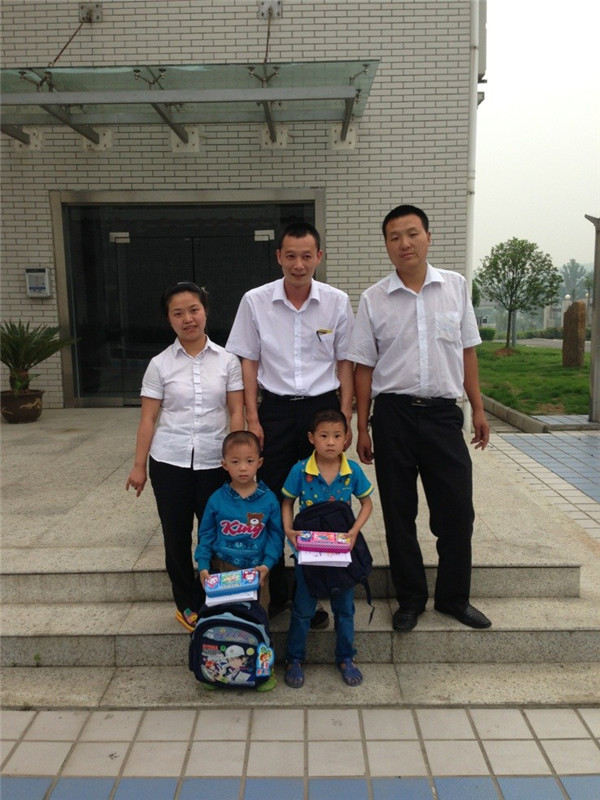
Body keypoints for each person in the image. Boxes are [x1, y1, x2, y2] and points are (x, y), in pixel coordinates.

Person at [348, 204, 492, 633]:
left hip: (444, 415)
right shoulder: (374, 298)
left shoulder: (455, 287)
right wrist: (362, 425)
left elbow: (467, 351)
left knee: (456, 511)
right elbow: (363, 367)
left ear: (429, 237)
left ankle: (453, 598)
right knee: (399, 512)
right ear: (386, 245)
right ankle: (410, 599)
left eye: (412, 234)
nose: (404, 243)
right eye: (394, 237)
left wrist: (478, 408)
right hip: (393, 416)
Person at [226, 221, 355, 625]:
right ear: (279, 256)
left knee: (325, 505)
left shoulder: (336, 302)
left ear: (319, 257)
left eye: (307, 256)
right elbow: (248, 361)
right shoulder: (255, 301)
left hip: (322, 410)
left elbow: (345, 362)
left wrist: (345, 418)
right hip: (276, 411)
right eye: (291, 256)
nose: (299, 265)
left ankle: (317, 593)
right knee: (272, 500)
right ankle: (278, 594)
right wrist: (252, 417)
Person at [126, 282, 244, 632]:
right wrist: (139, 466)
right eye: (178, 313)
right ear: (169, 319)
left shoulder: (227, 361)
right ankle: (187, 602)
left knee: (217, 534)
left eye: (194, 310)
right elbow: (148, 418)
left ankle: (216, 597)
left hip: (214, 462)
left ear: (205, 311)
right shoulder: (159, 364)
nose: (187, 318)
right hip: (169, 462)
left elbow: (236, 412)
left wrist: (238, 460)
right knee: (176, 536)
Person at [281, 408, 374, 688]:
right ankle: (294, 658)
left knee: (344, 609)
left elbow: (367, 503)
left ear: (346, 438)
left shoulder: (352, 470)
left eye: (336, 436)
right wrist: (289, 531)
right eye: (324, 436)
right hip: (308, 551)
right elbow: (287, 502)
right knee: (303, 609)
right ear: (311, 438)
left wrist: (354, 531)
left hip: (341, 553)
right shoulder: (300, 470)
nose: (330, 442)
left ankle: (346, 657)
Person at [195, 430, 284, 614]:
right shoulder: (216, 499)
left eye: (249, 461)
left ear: (259, 463)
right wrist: (203, 565)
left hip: (257, 570)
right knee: (225, 617)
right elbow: (206, 534)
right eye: (235, 462)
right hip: (222, 568)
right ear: (224, 464)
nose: (243, 468)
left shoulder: (268, 500)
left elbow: (276, 536)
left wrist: (267, 564)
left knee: (257, 615)